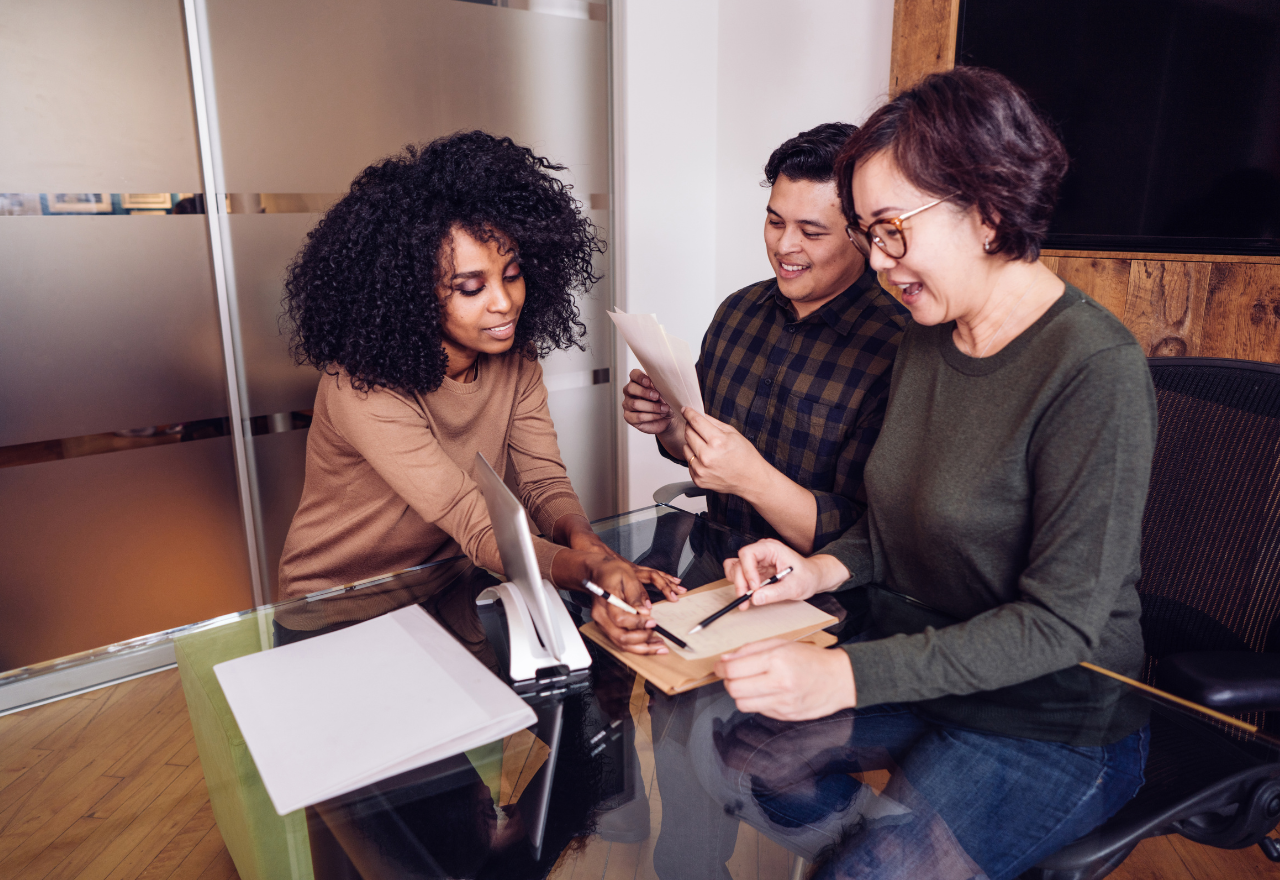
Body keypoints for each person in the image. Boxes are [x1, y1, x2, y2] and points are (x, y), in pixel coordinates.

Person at [669, 68, 1154, 879]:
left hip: (1055, 716)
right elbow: (896, 526)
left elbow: (1061, 627)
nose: (882, 261)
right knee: (741, 749)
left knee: (868, 870)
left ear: (989, 210)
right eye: (869, 234)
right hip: (933, 671)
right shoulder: (925, 338)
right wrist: (815, 567)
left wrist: (843, 675)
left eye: (892, 229)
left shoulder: (1094, 368)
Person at [276, 131, 680, 650]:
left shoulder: (515, 358)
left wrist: (595, 551)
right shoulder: (362, 387)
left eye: (511, 275)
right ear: (410, 293)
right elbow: (474, 520)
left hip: (450, 588)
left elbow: (542, 482)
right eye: (470, 288)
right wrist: (588, 572)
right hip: (340, 609)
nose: (504, 303)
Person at [621, 123, 909, 559]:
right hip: (715, 563)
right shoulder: (738, 312)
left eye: (811, 233)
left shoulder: (897, 350)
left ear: (862, 235)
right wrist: (671, 426)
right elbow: (698, 453)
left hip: (822, 595)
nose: (785, 245)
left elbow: (871, 536)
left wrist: (752, 479)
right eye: (775, 222)